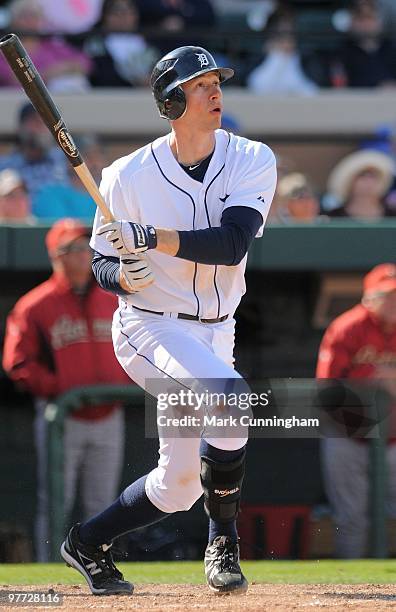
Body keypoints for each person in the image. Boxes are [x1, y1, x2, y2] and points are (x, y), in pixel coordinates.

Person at [59, 45, 277, 596]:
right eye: (199, 84)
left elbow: (231, 245)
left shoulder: (252, 157)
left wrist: (150, 238)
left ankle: (86, 542)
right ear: (170, 99)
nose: (214, 91)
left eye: (215, 82)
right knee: (229, 398)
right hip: (150, 325)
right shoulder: (125, 175)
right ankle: (222, 542)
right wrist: (122, 273)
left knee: (178, 484)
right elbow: (101, 264)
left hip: (216, 326)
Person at [2, 219, 132, 561]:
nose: (85, 255)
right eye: (76, 248)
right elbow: (17, 363)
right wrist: (60, 388)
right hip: (61, 418)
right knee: (57, 500)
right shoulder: (34, 305)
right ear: (57, 255)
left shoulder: (112, 297)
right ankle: (49, 565)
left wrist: (122, 384)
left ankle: (101, 563)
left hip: (109, 415)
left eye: (88, 247)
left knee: (103, 501)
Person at [317, 263, 396, 558]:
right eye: (388, 296)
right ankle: (351, 585)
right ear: (369, 298)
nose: (394, 302)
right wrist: (371, 380)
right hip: (347, 434)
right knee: (351, 519)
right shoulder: (347, 327)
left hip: (393, 439)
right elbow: (326, 392)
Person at [0, 0, 92, 92]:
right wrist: (49, 73)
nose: (30, 21)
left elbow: (84, 62)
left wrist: (66, 68)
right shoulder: (5, 48)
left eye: (34, 16)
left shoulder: (50, 46)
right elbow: (13, 79)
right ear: (13, 20)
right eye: (24, 16)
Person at [0, 103, 69, 199]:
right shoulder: (5, 165)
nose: (42, 128)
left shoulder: (67, 160)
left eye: (47, 122)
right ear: (21, 126)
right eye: (36, 121)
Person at [84, 0, 159, 88]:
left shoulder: (150, 40)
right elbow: (102, 76)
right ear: (105, 16)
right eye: (116, 12)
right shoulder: (96, 43)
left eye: (128, 11)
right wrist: (135, 82)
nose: (123, 16)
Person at [32, 135, 107, 221]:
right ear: (69, 160)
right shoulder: (49, 194)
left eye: (98, 156)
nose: (95, 162)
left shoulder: (107, 194)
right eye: (89, 156)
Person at [246, 8, 318, 95]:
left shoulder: (304, 59)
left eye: (290, 35)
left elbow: (311, 91)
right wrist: (276, 56)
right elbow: (257, 86)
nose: (286, 40)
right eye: (281, 35)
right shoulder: (260, 57)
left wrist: (288, 56)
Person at [324, 149, 395, 218]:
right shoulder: (334, 217)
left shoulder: (392, 215)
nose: (369, 182)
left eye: (373, 176)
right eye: (362, 176)